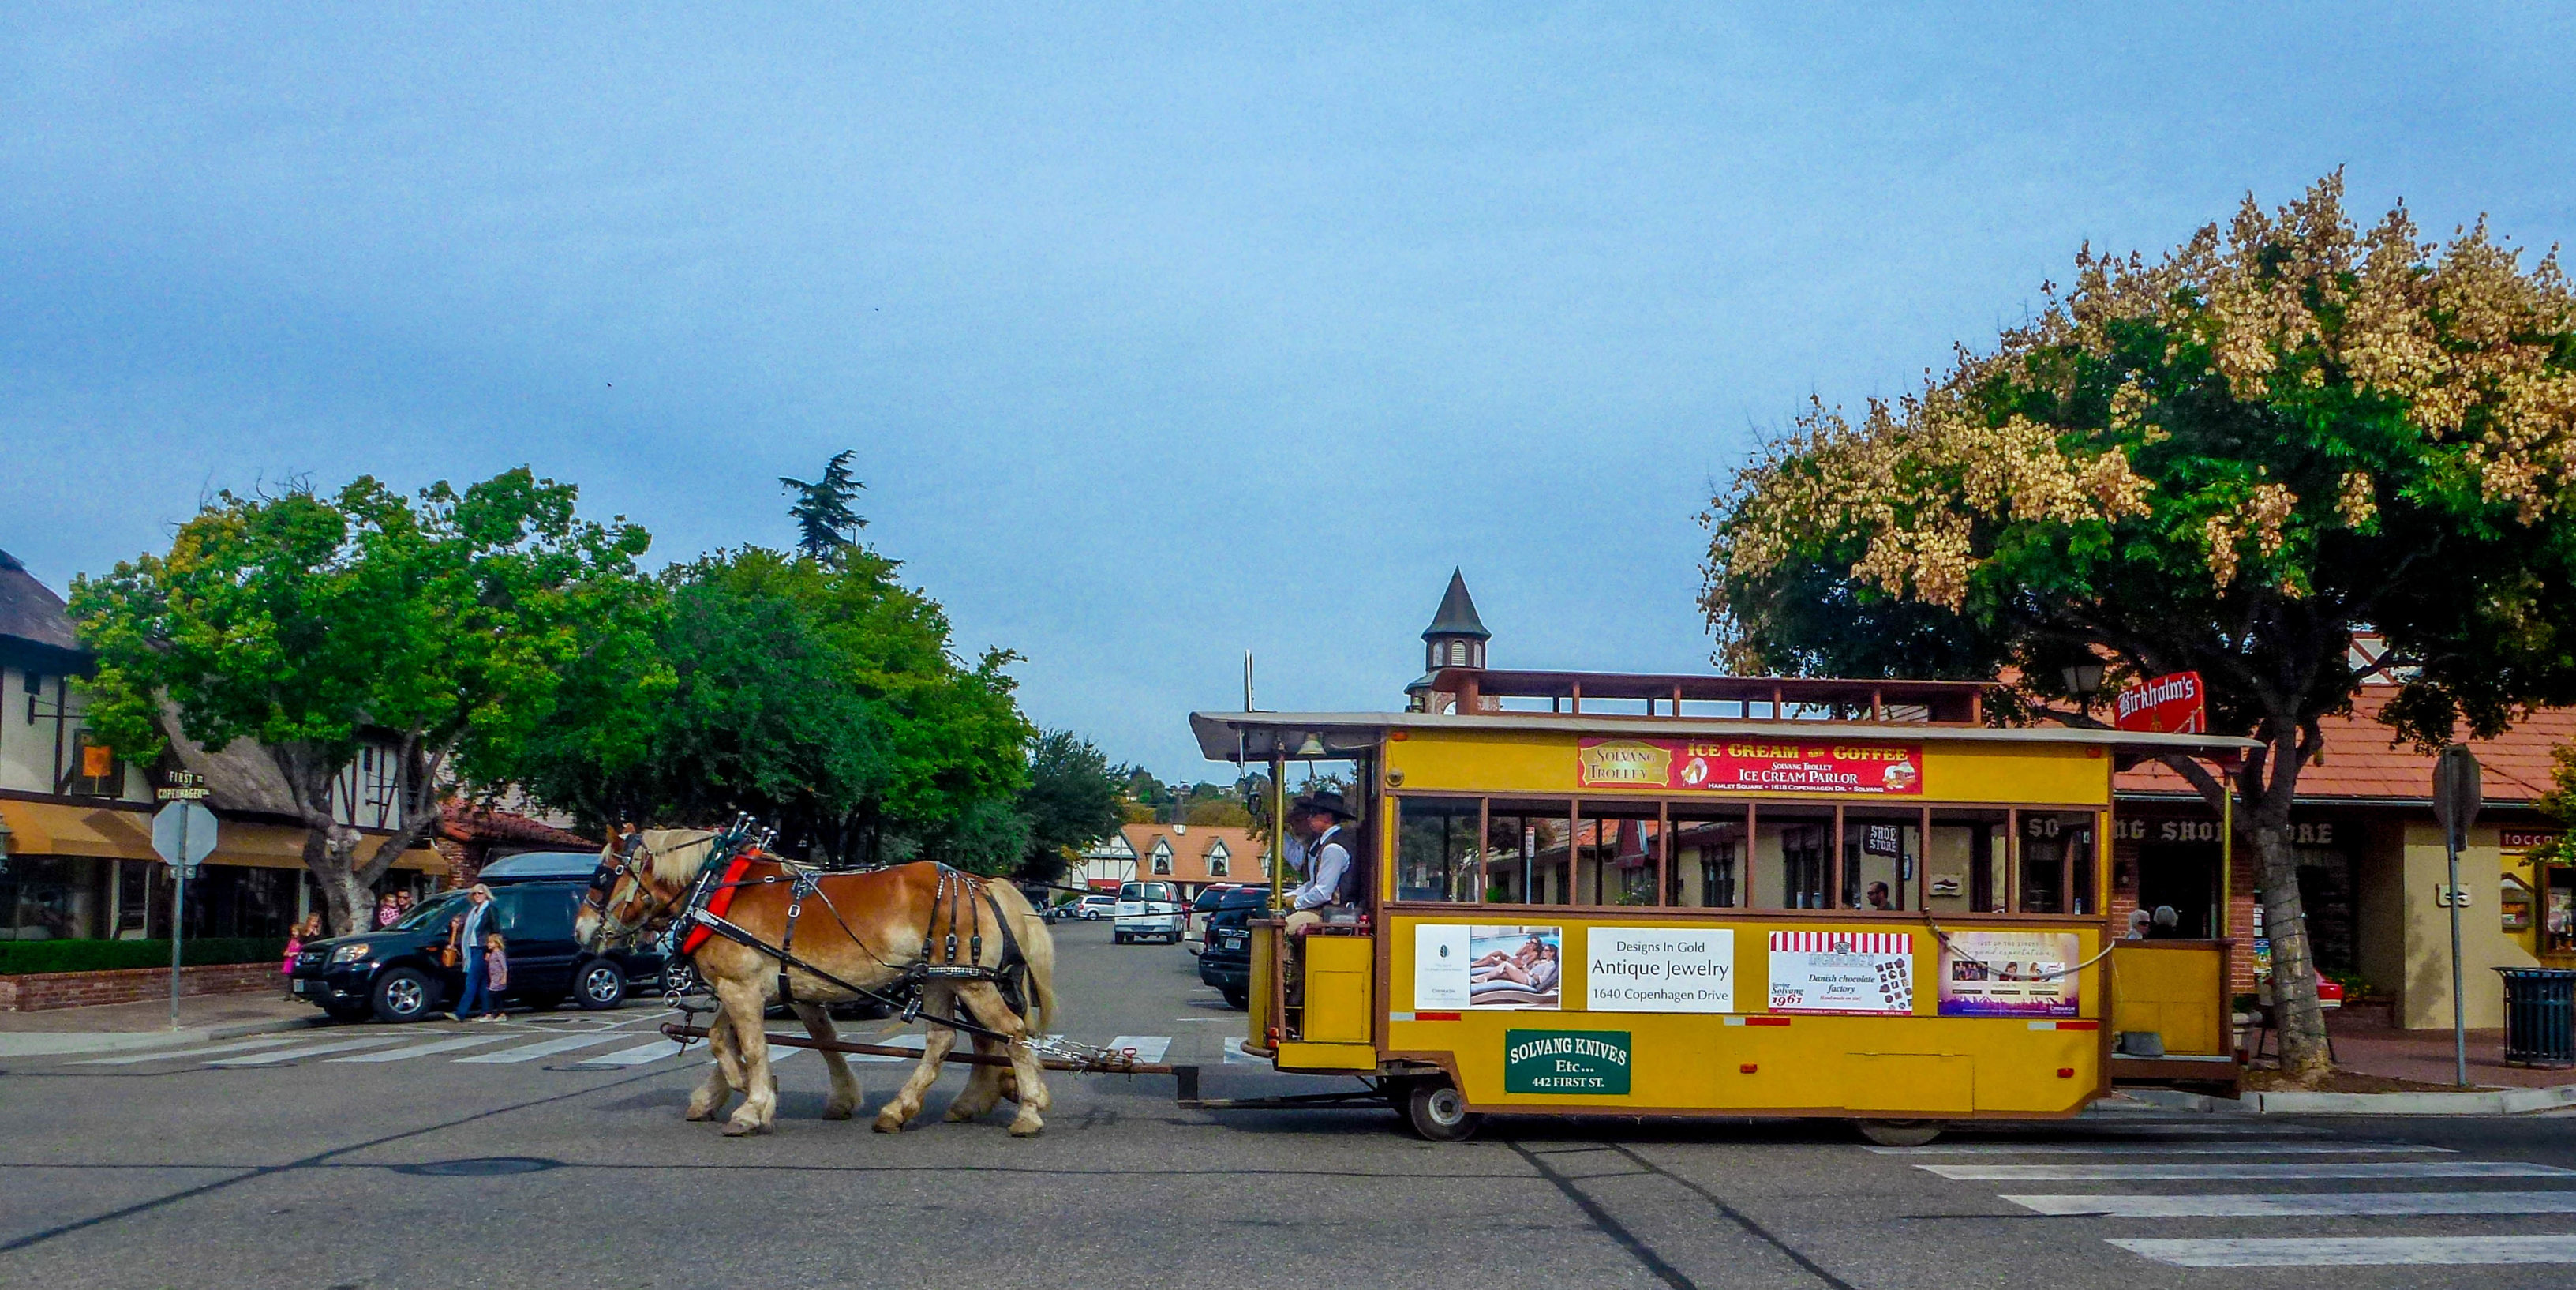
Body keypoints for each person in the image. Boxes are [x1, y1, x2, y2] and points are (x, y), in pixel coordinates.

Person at [1281, 791, 1359, 936]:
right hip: (1323, 911)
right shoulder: (1320, 844)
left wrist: (1295, 902)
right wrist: (1285, 897)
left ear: (1328, 817)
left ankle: (1286, 957)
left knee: (1280, 928)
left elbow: (1323, 893)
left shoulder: (1334, 848)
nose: (1309, 818)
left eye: (1313, 814)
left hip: (1334, 914)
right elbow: (1313, 884)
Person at [448, 883, 500, 1022]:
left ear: (486, 894)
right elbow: (464, 924)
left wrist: (490, 950)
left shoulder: (489, 910)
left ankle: (460, 1013)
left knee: (471, 980)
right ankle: (487, 1012)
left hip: (482, 948)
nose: (477, 896)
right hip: (471, 948)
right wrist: (456, 923)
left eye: (480, 893)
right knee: (482, 982)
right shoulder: (473, 911)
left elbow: (495, 931)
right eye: (475, 894)